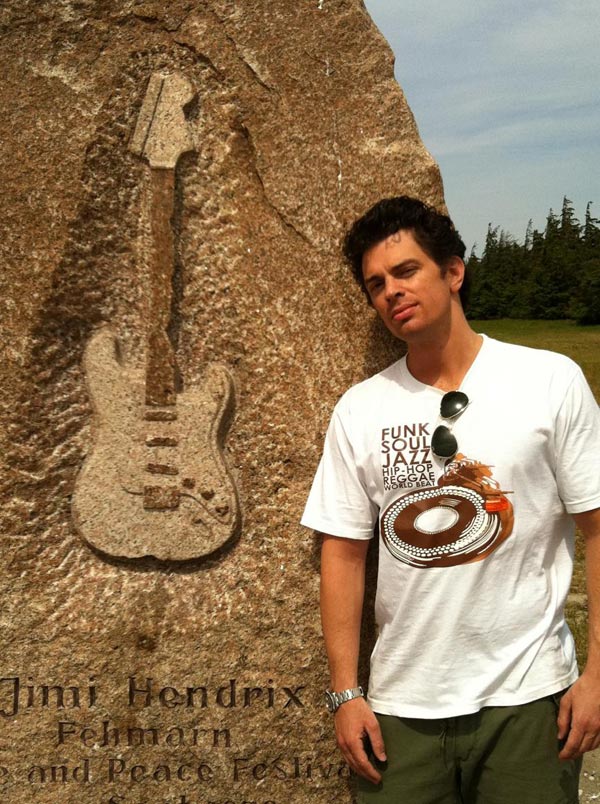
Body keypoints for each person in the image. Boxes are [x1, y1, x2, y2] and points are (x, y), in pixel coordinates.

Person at [301, 196, 600, 803]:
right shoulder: (360, 408)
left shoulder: (548, 380)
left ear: (454, 272)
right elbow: (342, 553)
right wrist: (345, 693)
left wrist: (598, 675)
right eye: (376, 284)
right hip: (401, 710)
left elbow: (597, 527)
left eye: (406, 270)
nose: (391, 291)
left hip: (528, 699)